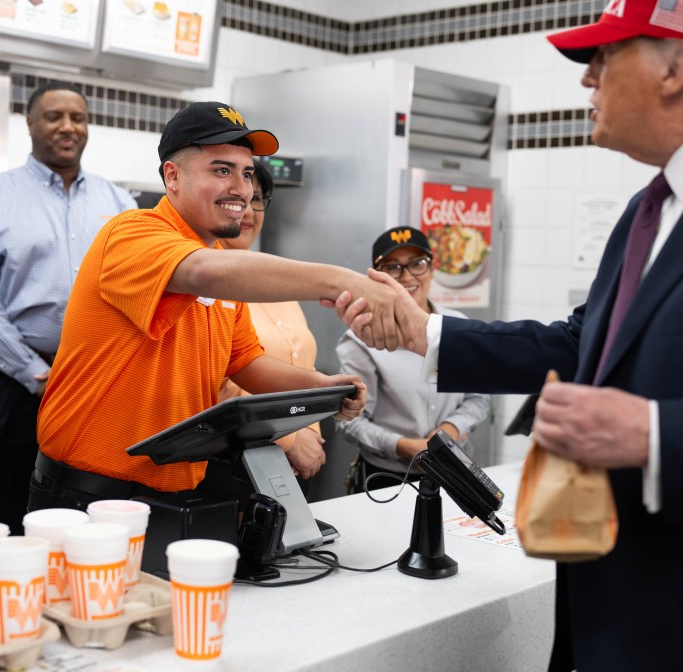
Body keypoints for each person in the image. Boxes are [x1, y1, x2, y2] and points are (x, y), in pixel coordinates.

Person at [335, 0, 683, 671]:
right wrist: (426, 332)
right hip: (615, 613)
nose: (586, 78)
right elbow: (583, 344)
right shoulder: (649, 208)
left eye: (603, 56)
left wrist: (656, 433)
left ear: (675, 67)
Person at [28, 101, 406, 510]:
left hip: (176, 492)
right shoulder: (131, 234)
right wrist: (344, 280)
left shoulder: (222, 262)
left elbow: (245, 363)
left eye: (246, 173)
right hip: (89, 494)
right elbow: (202, 271)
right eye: (221, 170)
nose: (241, 189)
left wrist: (319, 386)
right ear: (172, 176)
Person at [0, 80, 136, 534]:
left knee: (89, 503)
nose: (67, 127)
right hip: (13, 379)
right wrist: (37, 376)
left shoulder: (119, 204)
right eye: (54, 116)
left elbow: (133, 292)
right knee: (1, 509)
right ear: (30, 123)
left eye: (77, 117)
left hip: (95, 378)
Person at [335, 226, 489, 491]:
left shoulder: (458, 327)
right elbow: (349, 420)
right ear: (376, 277)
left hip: (455, 471)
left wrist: (452, 429)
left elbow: (478, 397)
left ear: (431, 268)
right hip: (388, 478)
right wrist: (402, 446)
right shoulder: (362, 339)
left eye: (417, 264)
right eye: (393, 267)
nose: (406, 277)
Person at [215, 159, 326, 481]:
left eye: (258, 199)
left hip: (293, 462)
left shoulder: (276, 281)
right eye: (240, 200)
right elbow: (216, 384)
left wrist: (309, 433)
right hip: (231, 458)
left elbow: (302, 364)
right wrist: (290, 438)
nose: (248, 211)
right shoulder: (201, 281)